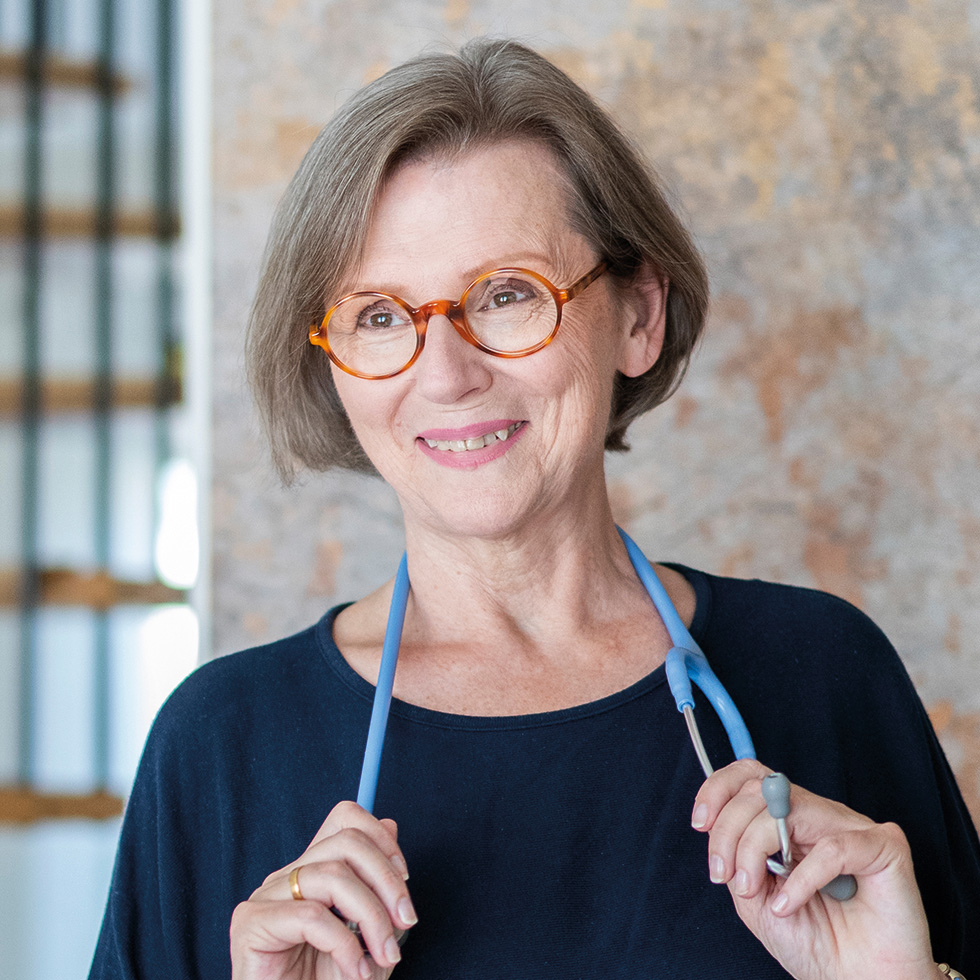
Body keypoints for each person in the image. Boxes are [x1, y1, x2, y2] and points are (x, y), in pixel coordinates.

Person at [90, 38, 980, 980]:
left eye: (505, 294)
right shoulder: (221, 746)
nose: (447, 375)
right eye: (382, 315)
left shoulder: (826, 675)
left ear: (639, 314)